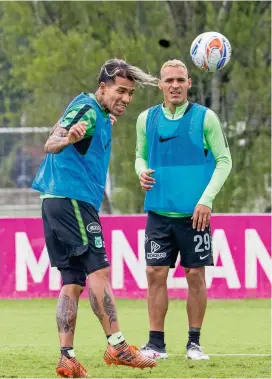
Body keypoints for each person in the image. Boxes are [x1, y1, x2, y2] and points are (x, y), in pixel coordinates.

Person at [32, 58, 158, 378]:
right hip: (73, 200)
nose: (126, 98)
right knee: (98, 269)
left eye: (130, 93)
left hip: (54, 202)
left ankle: (67, 357)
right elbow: (52, 141)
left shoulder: (96, 112)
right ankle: (117, 345)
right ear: (103, 88)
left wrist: (97, 120)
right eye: (121, 91)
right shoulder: (88, 106)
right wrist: (68, 139)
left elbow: (65, 128)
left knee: (72, 281)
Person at [135, 59, 232, 360]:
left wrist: (206, 200)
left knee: (194, 275)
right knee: (154, 273)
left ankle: (194, 343)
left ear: (189, 83)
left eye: (180, 80)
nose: (174, 85)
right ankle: (155, 344)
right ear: (160, 85)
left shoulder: (205, 118)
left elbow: (224, 160)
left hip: (195, 215)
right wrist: (140, 171)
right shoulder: (146, 119)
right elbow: (139, 156)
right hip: (159, 213)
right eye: (168, 80)